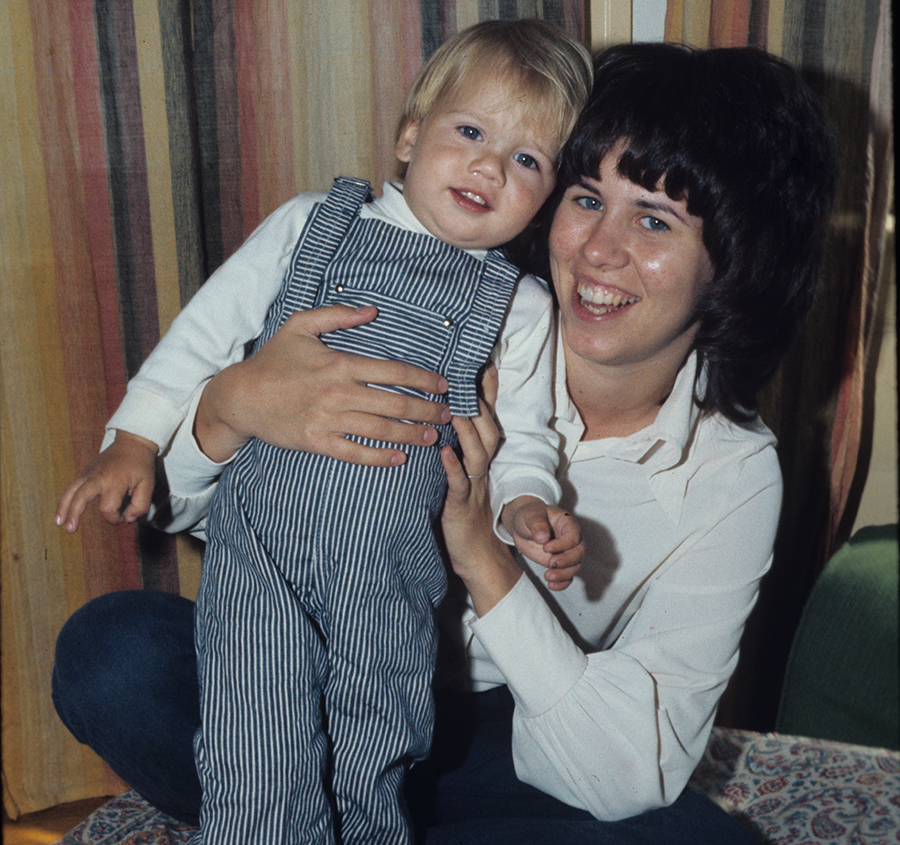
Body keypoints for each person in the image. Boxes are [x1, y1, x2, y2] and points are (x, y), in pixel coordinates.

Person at [52, 41, 838, 844]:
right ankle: (293, 801)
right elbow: (221, 516)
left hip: (504, 732)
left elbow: (634, 767)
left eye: (654, 219)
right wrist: (229, 408)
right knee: (111, 657)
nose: (600, 251)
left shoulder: (730, 470)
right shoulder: (436, 311)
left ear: (735, 263)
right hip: (303, 666)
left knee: (699, 841)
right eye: (585, 198)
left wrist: (484, 554)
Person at [55, 19, 591, 845]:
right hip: (260, 549)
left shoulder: (518, 307)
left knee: (375, 742)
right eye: (470, 132)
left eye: (527, 159)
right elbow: (202, 337)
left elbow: (526, 434)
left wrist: (522, 503)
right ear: (409, 136)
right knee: (254, 734)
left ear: (547, 195)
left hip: (392, 576)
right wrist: (132, 438)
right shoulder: (315, 223)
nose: (490, 166)